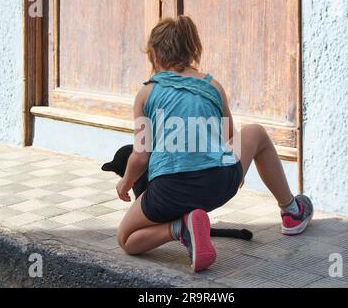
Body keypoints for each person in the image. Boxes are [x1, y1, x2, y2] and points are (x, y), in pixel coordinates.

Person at [115, 15, 313, 272]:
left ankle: (178, 228)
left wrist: (126, 182)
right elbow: (230, 137)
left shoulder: (147, 93)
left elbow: (141, 157)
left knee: (126, 239)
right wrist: (235, 167)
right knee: (256, 133)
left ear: (154, 54)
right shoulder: (212, 86)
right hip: (219, 183)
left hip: (169, 192)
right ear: (194, 50)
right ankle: (291, 211)